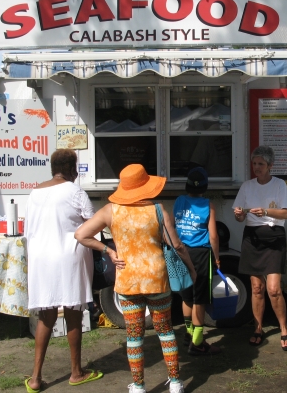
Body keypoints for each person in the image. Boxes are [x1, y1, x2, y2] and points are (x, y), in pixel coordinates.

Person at [74, 164, 196, 393]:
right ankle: (176, 382)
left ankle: (138, 385)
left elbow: (81, 234)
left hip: (128, 281)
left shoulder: (110, 210)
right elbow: (177, 245)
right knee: (166, 330)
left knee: (134, 335)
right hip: (157, 279)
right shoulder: (159, 210)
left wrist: (107, 251)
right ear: (145, 185)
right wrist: (191, 268)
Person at [24, 149, 103, 393]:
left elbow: (28, 230)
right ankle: (76, 372)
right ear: (71, 170)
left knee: (45, 315)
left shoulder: (34, 192)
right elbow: (92, 223)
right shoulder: (75, 191)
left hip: (41, 259)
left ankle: (35, 378)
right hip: (70, 256)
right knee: (73, 312)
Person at [232, 145, 287, 351]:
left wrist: (266, 211)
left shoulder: (279, 185)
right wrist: (240, 215)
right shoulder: (247, 186)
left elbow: (286, 213)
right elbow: (240, 217)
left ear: (270, 165)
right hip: (252, 237)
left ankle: (284, 329)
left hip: (273, 235)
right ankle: (258, 327)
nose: (256, 167)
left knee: (274, 289)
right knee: (257, 288)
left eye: (260, 164)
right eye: (254, 163)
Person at [174, 167, 221, 355]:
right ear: (205, 187)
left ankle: (189, 333)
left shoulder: (178, 201)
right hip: (201, 254)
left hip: (181, 252)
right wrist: (217, 258)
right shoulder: (208, 205)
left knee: (186, 296)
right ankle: (199, 342)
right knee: (199, 298)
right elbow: (214, 236)